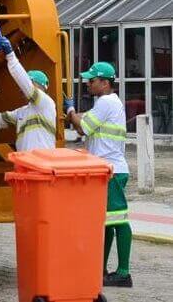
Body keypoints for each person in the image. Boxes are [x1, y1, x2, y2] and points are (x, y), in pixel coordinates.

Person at [64, 62, 132, 287]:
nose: (87, 83)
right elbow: (86, 119)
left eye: (91, 80)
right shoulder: (109, 103)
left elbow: (82, 127)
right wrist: (77, 115)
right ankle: (101, 270)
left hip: (111, 169)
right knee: (107, 222)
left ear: (105, 83)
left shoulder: (105, 102)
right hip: (109, 169)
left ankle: (123, 273)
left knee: (118, 220)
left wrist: (70, 111)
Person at [0, 37, 56, 151]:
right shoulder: (22, 113)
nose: (21, 89)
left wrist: (11, 56)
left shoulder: (46, 103)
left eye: (30, 82)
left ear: (38, 84)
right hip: (25, 165)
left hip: (42, 165)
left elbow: (26, 85)